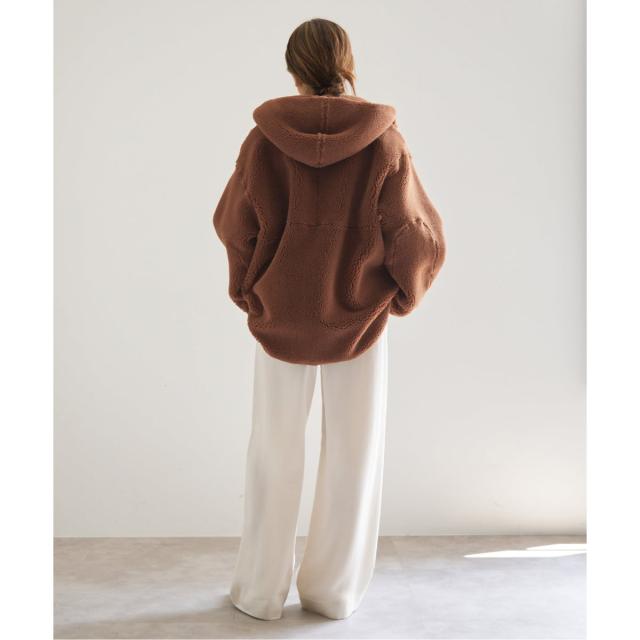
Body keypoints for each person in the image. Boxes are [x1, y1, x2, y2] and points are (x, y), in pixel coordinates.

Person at [213, 17, 446, 621]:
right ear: (347, 63)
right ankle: (331, 594)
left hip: (279, 315)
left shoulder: (263, 141)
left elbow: (234, 225)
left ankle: (259, 592)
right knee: (353, 453)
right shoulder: (383, 142)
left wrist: (248, 291)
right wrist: (401, 295)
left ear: (294, 68)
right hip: (360, 319)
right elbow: (416, 234)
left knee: (273, 450)